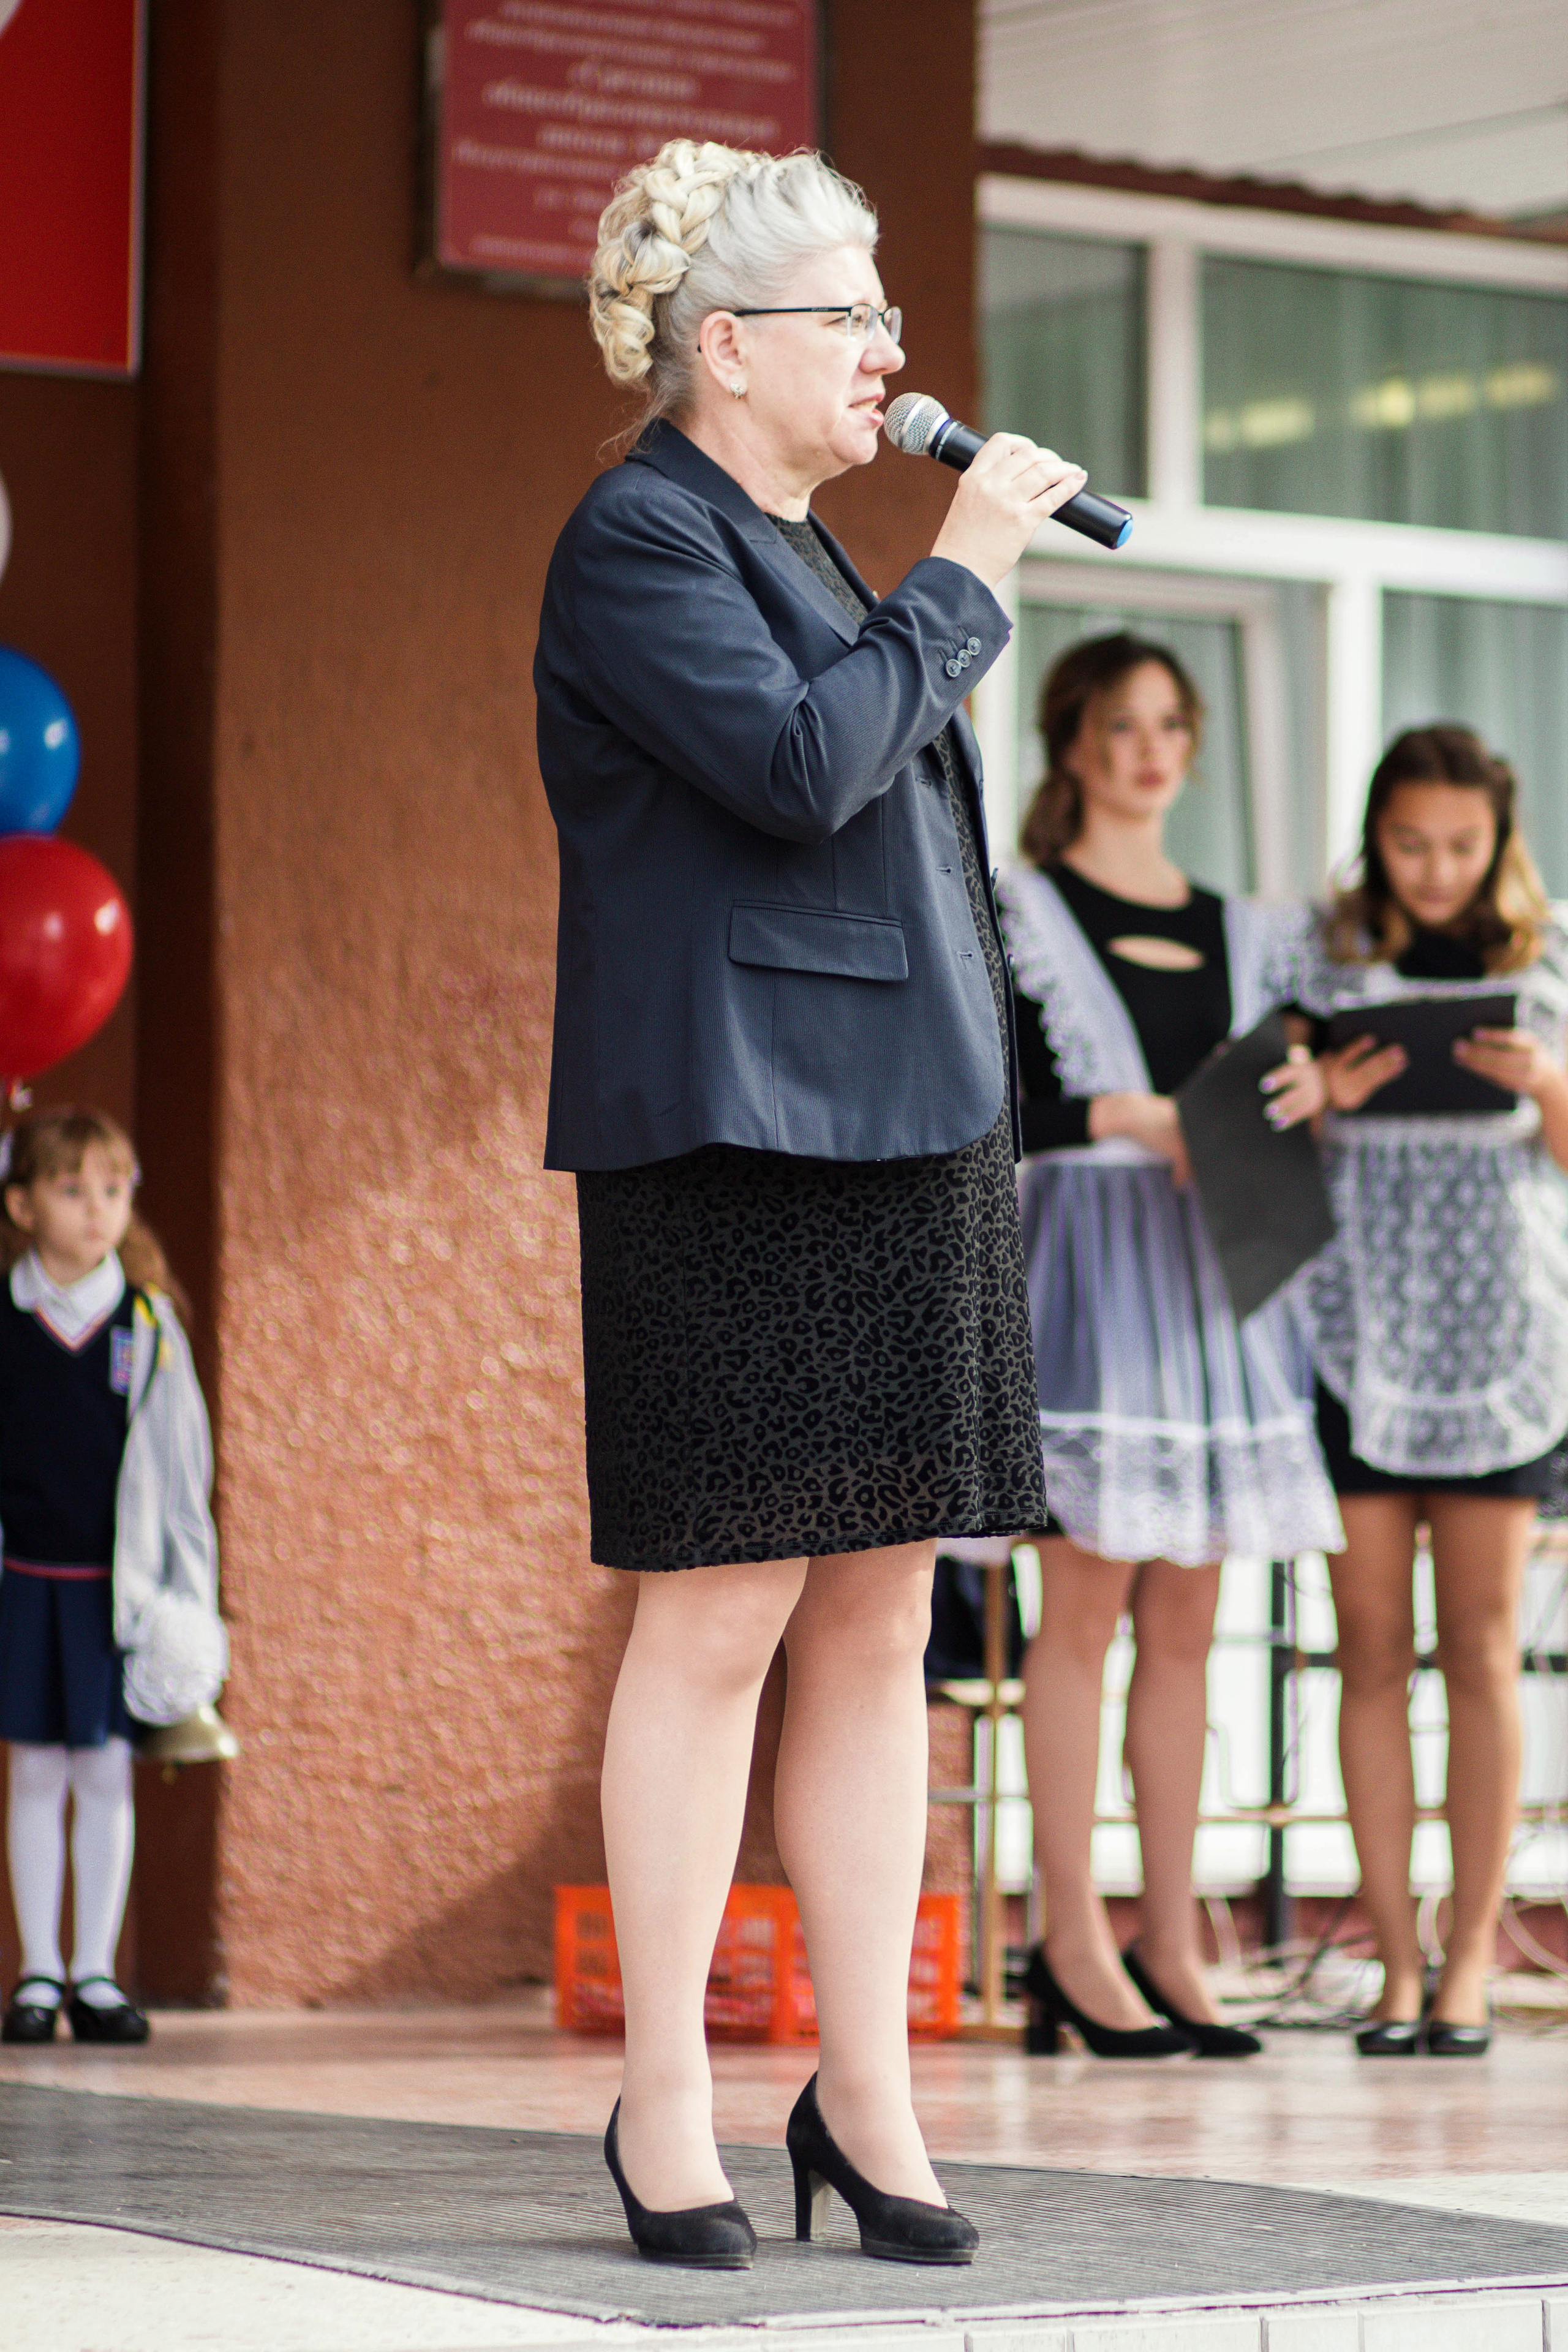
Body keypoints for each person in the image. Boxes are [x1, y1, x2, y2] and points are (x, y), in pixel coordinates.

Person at [535, 138, 1083, 2269]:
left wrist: (927, 588)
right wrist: (963, 576)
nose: (894, 354)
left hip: (916, 1136)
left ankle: (864, 2091)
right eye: (857, 315)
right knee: (718, 1616)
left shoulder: (820, 550)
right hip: (741, 1134)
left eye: (893, 319)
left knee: (878, 1624)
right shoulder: (640, 538)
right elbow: (792, 772)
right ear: (729, 345)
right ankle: (665, 2091)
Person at [996, 632, 1343, 2060]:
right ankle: (1066, 1936)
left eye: (1167, 726)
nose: (1147, 750)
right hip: (1087, 1264)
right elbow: (1002, 1097)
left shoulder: (1252, 930)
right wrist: (1136, 1120)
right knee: (1075, 1616)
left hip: (1211, 1273)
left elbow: (1278, 1097)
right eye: (1119, 724)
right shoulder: (1017, 905)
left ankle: (1168, 1938)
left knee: (1189, 1623)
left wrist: (1309, 1090)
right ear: (1069, 742)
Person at [1281, 725, 1568, 2056]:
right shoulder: (1322, 959)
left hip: (1502, 1346)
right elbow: (1258, 1143)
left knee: (1481, 1651)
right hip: (1357, 1336)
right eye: (1409, 841)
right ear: (1373, 834)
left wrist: (1549, 1087)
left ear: (1498, 841)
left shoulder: (1547, 957)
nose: (1436, 868)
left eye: (1460, 844)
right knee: (1369, 1652)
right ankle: (1390, 1966)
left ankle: (1466, 1969)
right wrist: (1320, 1098)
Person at [0, 1109, 225, 2046]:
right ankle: (37, 1974)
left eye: (113, 1187)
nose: (97, 1209)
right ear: (21, 1204)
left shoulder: (146, 1323)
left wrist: (188, 1601)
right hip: (23, 1581)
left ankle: (95, 1970)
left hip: (112, 1593)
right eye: (70, 1188)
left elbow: (183, 1474)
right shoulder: (6, 1319)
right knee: (34, 1772)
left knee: (102, 1773)